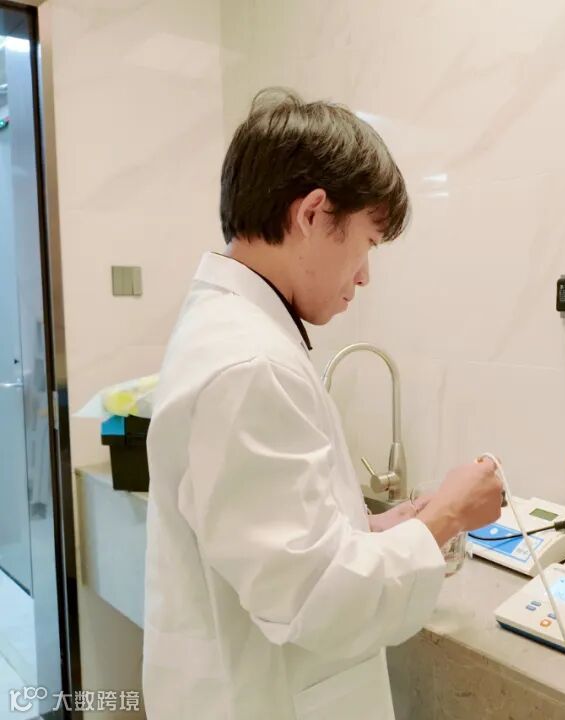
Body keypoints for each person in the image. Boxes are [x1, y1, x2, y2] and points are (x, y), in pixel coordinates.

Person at [142, 88, 504, 719]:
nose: (364, 275)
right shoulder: (251, 364)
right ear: (312, 214)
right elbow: (316, 598)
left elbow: (269, 542)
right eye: (367, 242)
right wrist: (448, 514)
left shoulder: (233, 329)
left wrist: (367, 530)